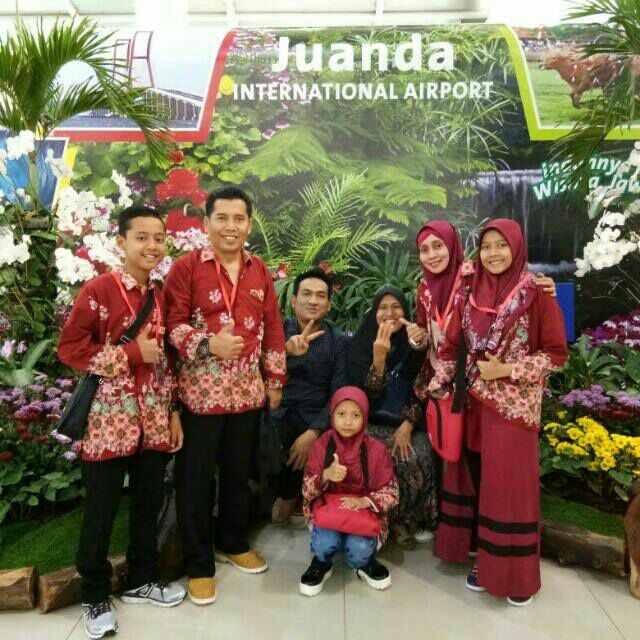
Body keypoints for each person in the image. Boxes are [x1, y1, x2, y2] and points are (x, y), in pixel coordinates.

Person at [58, 205, 186, 640]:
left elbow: (166, 361)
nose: (152, 246)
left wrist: (173, 411)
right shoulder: (99, 289)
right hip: (108, 420)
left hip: (153, 417)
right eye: (141, 237)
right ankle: (94, 594)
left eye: (159, 238)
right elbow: (70, 349)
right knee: (101, 509)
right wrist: (131, 354)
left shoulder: (161, 295)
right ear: (121, 242)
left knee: (148, 503)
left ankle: (141, 580)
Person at [428, 218, 568, 607]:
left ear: (516, 247)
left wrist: (506, 369)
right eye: (487, 245)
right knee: (477, 483)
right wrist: (438, 382)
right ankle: (483, 559)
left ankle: (515, 575)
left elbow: (556, 355)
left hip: (514, 411)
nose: (493, 253)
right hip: (472, 405)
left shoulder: (536, 293)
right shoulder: (468, 292)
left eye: (501, 245)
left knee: (508, 490)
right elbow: (451, 346)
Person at [164, 186, 286, 606]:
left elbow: (273, 327)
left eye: (238, 219)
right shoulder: (185, 268)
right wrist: (208, 343)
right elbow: (171, 327)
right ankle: (199, 564)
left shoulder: (259, 269)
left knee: (238, 475)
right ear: (206, 223)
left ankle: (232, 542)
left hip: (247, 394)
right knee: (196, 482)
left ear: (249, 224)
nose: (230, 226)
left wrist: (275, 380)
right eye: (222, 218)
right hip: (199, 397)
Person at [348, 286, 437, 550]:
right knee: (378, 455)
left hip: (407, 422)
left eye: (396, 307)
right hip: (370, 423)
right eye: (383, 308)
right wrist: (379, 358)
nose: (390, 313)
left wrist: (408, 424)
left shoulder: (415, 344)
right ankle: (383, 518)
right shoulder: (360, 345)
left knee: (418, 454)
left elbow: (423, 388)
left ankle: (407, 518)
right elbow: (362, 397)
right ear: (374, 312)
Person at [300, 386, 399, 596]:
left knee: (359, 549)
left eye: (355, 415)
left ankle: (363, 563)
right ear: (332, 414)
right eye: (341, 414)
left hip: (363, 513)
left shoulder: (377, 450)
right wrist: (325, 475)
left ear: (365, 417)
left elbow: (392, 492)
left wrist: (365, 502)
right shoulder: (321, 445)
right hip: (328, 512)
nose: (347, 422)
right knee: (324, 543)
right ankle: (322, 562)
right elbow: (306, 490)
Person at [271, 267, 350, 526]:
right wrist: (284, 352)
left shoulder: (338, 342)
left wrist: (314, 432)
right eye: (306, 294)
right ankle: (286, 493)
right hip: (278, 410)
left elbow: (338, 392)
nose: (313, 301)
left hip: (316, 415)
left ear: (328, 305)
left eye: (320, 296)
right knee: (269, 434)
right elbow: (256, 370)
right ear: (294, 301)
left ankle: (291, 494)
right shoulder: (276, 333)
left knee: (313, 441)